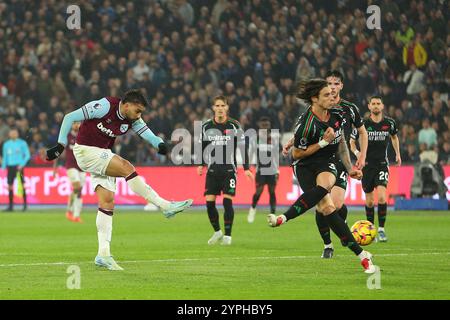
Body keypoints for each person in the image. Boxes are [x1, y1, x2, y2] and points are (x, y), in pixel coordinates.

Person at [46, 89, 193, 270]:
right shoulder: (104, 106)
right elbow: (69, 117)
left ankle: (103, 254)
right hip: (85, 150)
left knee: (107, 202)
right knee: (126, 168)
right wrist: (60, 145)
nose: (139, 115)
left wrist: (159, 144)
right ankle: (165, 206)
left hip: (102, 154)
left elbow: (146, 132)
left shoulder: (132, 119)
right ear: (126, 105)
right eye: (137, 111)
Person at [268, 78, 376, 274]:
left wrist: (349, 167)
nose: (331, 97)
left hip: (326, 161)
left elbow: (341, 142)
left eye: (332, 93)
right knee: (327, 207)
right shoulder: (306, 124)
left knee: (326, 192)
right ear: (314, 99)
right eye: (326, 95)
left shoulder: (336, 114)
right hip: (303, 165)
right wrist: (323, 143)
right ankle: (361, 254)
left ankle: (283, 218)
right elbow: (297, 154)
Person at [197, 95, 253, 245]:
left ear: (227, 108)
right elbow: (202, 146)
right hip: (213, 171)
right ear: (213, 108)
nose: (220, 108)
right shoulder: (206, 126)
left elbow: (243, 147)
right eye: (217, 106)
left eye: (223, 106)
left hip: (229, 171)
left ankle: (228, 236)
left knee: (227, 203)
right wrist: (201, 164)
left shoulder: (234, 126)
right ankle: (217, 232)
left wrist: (246, 168)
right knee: (209, 203)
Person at [350, 96, 401, 242]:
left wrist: (398, 154)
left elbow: (394, 137)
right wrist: (357, 153)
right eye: (373, 104)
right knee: (370, 201)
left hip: (382, 164)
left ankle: (382, 230)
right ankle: (370, 229)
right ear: (369, 106)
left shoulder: (389, 123)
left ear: (382, 106)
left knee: (382, 197)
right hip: (366, 166)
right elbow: (351, 141)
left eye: (378, 103)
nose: (376, 106)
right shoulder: (363, 124)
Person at [248, 116, 279, 223]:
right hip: (260, 170)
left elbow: (276, 156)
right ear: (259, 126)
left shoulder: (273, 139)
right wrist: (249, 167)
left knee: (272, 192)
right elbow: (250, 153)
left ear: (269, 126)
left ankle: (273, 214)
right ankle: (252, 208)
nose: (265, 127)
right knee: (259, 192)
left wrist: (278, 171)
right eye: (263, 125)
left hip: (272, 170)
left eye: (267, 125)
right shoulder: (255, 139)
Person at [53, 122, 86, 223]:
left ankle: (76, 215)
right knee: (77, 186)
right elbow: (58, 151)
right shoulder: (67, 136)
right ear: (71, 125)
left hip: (82, 167)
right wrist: (54, 168)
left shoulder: (84, 136)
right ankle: (69, 210)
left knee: (79, 191)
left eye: (78, 123)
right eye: (75, 123)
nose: (77, 125)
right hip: (70, 166)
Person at [1, 128, 30, 211]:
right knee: (10, 186)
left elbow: (27, 155)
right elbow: (5, 157)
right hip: (10, 167)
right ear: (9, 134)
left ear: (17, 134)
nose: (13, 134)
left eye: (15, 133)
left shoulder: (22, 143)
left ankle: (25, 205)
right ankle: (10, 206)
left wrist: (22, 165)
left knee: (22, 185)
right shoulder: (6, 144)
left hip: (19, 167)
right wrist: (3, 168)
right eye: (12, 133)